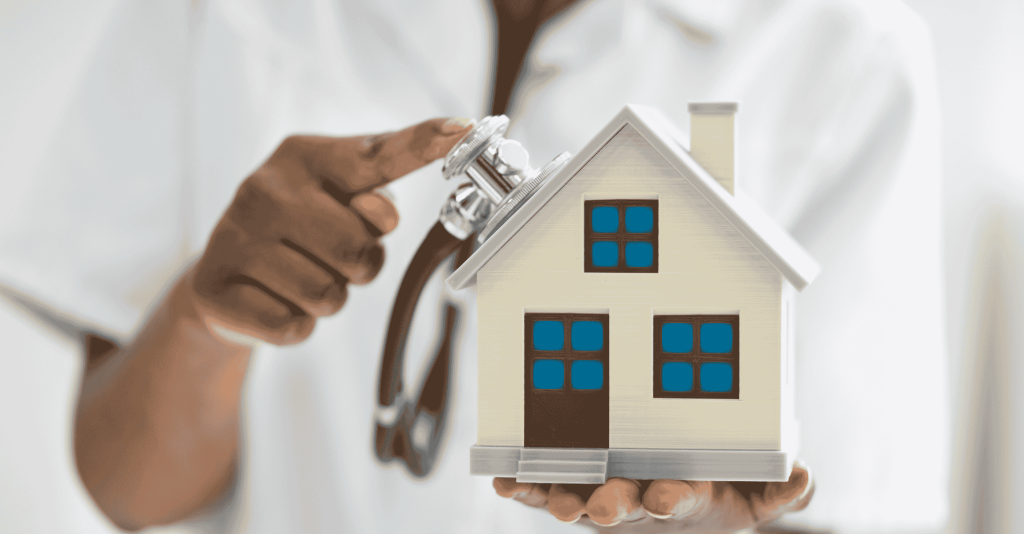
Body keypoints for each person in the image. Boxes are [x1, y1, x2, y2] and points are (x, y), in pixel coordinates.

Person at [0, 0, 946, 532]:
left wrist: (691, 513)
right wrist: (208, 316)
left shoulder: (848, 44)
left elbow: (835, 500)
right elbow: (127, 488)